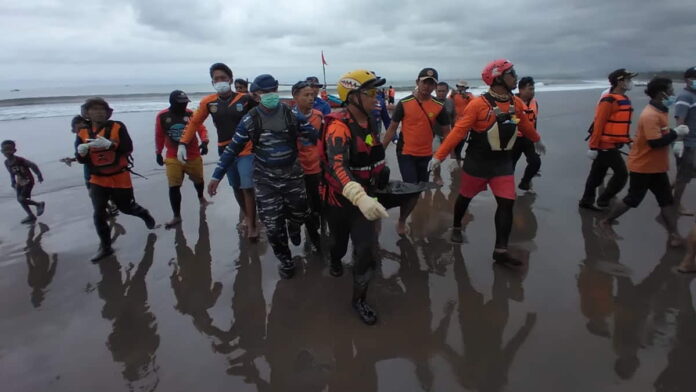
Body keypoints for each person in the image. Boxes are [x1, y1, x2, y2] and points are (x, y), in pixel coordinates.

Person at [429, 59, 546, 266]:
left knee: (507, 203)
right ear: (498, 77)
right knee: (464, 198)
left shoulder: (515, 103)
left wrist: (537, 140)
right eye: (512, 73)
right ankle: (456, 226)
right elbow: (458, 132)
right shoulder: (478, 105)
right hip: (477, 164)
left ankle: (500, 250)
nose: (516, 76)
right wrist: (439, 155)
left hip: (502, 164)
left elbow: (525, 126)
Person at [207, 74, 318, 279]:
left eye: (273, 91)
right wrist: (216, 176)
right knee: (273, 227)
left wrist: (309, 133)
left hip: (292, 176)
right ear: (256, 95)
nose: (270, 95)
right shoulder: (250, 119)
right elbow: (232, 150)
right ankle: (285, 260)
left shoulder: (290, 113)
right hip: (266, 180)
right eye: (264, 92)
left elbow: (312, 133)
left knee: (301, 213)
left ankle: (294, 227)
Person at [321, 69, 393, 324]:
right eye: (371, 93)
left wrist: (381, 171)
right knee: (339, 244)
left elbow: (372, 150)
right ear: (352, 97)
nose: (378, 98)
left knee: (366, 251)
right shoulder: (338, 128)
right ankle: (334, 259)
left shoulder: (370, 120)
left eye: (378, 92)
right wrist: (358, 196)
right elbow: (336, 165)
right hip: (341, 201)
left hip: (367, 197)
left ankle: (359, 300)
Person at [600, 77, 687, 247]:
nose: (673, 93)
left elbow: (661, 134)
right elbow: (654, 142)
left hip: (657, 167)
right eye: (670, 90)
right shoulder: (650, 115)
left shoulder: (661, 111)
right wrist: (676, 133)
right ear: (661, 93)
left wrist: (675, 137)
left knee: (666, 200)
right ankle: (606, 221)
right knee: (633, 199)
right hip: (643, 166)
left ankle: (674, 235)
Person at [178, 63, 259, 239]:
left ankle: (253, 225)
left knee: (247, 185)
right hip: (225, 148)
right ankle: (247, 214)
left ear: (230, 79)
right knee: (236, 186)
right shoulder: (208, 102)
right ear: (212, 82)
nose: (220, 81)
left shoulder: (245, 99)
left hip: (246, 148)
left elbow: (261, 117)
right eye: (216, 79)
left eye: (223, 78)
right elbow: (194, 122)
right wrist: (183, 143)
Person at [75, 97, 156, 261]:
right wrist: (81, 153)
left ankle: (143, 214)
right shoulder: (82, 132)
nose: (99, 112)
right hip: (98, 179)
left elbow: (128, 147)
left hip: (120, 177)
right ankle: (106, 247)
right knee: (99, 213)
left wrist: (111, 145)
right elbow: (82, 160)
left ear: (107, 112)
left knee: (126, 208)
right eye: (94, 109)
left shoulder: (117, 126)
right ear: (87, 113)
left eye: (102, 109)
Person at [381, 68, 451, 234]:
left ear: (435, 86)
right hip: (406, 153)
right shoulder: (404, 104)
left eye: (431, 83)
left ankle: (403, 215)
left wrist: (440, 154)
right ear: (417, 82)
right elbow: (391, 129)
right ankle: (402, 220)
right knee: (411, 189)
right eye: (424, 82)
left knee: (418, 191)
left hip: (426, 156)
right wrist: (380, 151)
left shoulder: (439, 106)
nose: (427, 86)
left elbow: (448, 133)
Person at [580, 69, 636, 210]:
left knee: (597, 175)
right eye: (628, 79)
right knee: (622, 174)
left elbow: (621, 126)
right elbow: (599, 124)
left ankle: (587, 201)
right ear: (620, 82)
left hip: (613, 144)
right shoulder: (608, 100)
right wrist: (593, 147)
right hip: (605, 146)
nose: (630, 82)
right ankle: (604, 200)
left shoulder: (624, 99)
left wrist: (628, 141)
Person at [155, 90, 210, 229]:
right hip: (173, 156)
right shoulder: (162, 116)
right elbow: (159, 135)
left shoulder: (190, 114)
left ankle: (201, 197)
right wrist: (158, 152)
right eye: (180, 103)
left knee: (199, 180)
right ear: (171, 103)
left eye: (185, 102)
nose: (184, 105)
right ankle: (176, 216)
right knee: (174, 186)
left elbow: (202, 129)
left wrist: (204, 141)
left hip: (193, 154)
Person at [291, 80, 323, 249]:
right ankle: (305, 231)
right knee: (302, 204)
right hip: (296, 170)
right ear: (295, 96)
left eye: (312, 95)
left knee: (316, 203)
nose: (311, 98)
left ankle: (314, 226)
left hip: (316, 168)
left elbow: (323, 141)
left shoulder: (319, 116)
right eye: (306, 95)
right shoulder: (288, 117)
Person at [2, 140, 45, 223]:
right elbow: (11, 173)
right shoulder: (6, 162)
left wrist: (39, 175)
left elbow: (32, 165)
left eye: (9, 149)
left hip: (28, 180)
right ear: (2, 151)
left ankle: (38, 204)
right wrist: (13, 181)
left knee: (21, 199)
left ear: (14, 150)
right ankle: (30, 215)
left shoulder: (20, 160)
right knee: (19, 199)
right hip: (19, 181)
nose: (7, 151)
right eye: (5, 150)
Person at [672, 66, 696, 215]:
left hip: (693, 142)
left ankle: (668, 190)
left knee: (689, 172)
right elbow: (680, 121)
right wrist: (680, 141)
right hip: (686, 142)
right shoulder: (685, 97)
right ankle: (676, 205)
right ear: (687, 80)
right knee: (684, 176)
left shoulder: (694, 95)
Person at [512, 76, 542, 191]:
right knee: (510, 166)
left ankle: (525, 182)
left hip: (528, 139)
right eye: (529, 89)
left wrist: (535, 139)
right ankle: (507, 188)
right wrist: (521, 123)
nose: (532, 92)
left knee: (535, 162)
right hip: (514, 139)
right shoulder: (512, 102)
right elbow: (508, 121)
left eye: (533, 89)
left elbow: (534, 121)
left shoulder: (535, 103)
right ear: (521, 90)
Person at [433, 81, 456, 184]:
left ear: (447, 91)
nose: (441, 93)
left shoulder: (450, 102)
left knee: (448, 156)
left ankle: (432, 168)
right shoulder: (431, 102)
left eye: (443, 91)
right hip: (434, 134)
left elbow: (454, 117)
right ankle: (437, 177)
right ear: (435, 91)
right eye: (439, 91)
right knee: (436, 156)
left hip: (448, 134)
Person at [451, 80, 475, 163]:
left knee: (463, 139)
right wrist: (451, 95)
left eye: (463, 87)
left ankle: (458, 154)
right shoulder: (454, 95)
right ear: (457, 87)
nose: (461, 88)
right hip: (455, 120)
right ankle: (456, 155)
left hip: (466, 120)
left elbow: (475, 103)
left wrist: (467, 97)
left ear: (466, 88)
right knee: (455, 139)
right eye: (459, 87)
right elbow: (447, 104)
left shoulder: (469, 95)